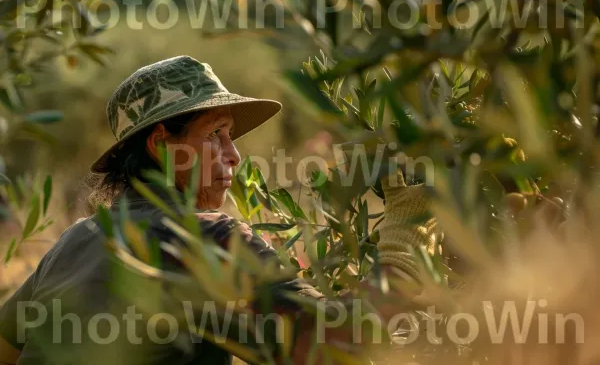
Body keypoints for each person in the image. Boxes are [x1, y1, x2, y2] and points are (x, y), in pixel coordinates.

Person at [0, 56, 437, 364]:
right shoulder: (207, 236)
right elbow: (342, 342)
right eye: (215, 134)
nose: (234, 156)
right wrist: (407, 229)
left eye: (231, 136)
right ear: (161, 146)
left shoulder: (73, 240)